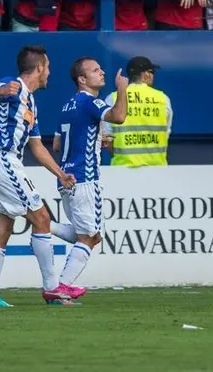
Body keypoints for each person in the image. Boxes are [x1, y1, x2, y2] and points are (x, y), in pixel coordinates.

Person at [0, 45, 76, 308]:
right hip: (3, 159)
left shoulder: (30, 102)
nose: (49, 74)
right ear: (40, 67)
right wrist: (0, 91)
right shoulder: (13, 87)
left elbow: (37, 146)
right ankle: (53, 288)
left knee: (3, 229)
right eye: (49, 68)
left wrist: (60, 173)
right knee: (41, 217)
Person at [50, 57, 128, 298]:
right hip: (85, 178)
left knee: (92, 235)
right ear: (82, 79)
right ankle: (60, 287)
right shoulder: (90, 102)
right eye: (95, 71)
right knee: (89, 236)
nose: (102, 73)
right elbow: (119, 116)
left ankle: (45, 225)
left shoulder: (67, 105)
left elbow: (56, 144)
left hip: (66, 178)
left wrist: (93, 140)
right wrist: (122, 88)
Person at [102, 56, 172, 167]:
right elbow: (165, 133)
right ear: (146, 74)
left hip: (122, 168)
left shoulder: (113, 98)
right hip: (157, 169)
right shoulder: (163, 99)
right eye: (151, 72)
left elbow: (107, 138)